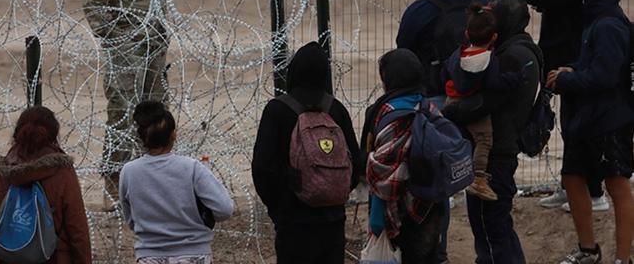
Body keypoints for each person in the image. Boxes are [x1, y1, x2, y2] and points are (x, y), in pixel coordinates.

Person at [82, 0, 219, 207]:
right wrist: (113, 38)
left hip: (154, 41)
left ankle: (151, 181)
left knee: (156, 112)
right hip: (126, 44)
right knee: (122, 113)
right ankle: (114, 185)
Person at [486, 0, 610, 212]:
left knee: (578, 127)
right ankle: (574, 187)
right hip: (568, 57)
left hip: (574, 60)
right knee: (570, 126)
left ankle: (593, 193)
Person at [395, 0, 486, 263]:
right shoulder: (485, 6)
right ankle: (488, 252)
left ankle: (439, 252)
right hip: (481, 107)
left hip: (434, 109)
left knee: (434, 185)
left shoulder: (421, 11)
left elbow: (402, 57)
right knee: (483, 184)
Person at [443, 0, 541, 264]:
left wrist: (449, 112)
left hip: (496, 152)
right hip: (503, 147)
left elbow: (481, 102)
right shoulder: (521, 49)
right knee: (497, 228)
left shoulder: (512, 57)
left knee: (489, 229)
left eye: (494, 16)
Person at [546, 0, 633, 264]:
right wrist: (573, 69)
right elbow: (595, 65)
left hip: (610, 120)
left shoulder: (609, 25)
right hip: (589, 118)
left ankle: (623, 257)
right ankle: (588, 250)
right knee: (572, 176)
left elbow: (606, 76)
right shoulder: (595, 21)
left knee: (617, 184)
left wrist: (569, 78)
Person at [252, 42, 359, 264]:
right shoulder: (336, 109)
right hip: (333, 221)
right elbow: (355, 164)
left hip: (293, 221)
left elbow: (263, 168)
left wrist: (279, 208)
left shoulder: (277, 110)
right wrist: (332, 190)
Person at [119, 101, 234, 263]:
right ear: (173, 135)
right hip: (193, 253)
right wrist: (202, 219)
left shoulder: (129, 172)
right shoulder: (191, 168)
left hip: (149, 255)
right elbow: (225, 209)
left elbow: (131, 219)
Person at [364, 48, 448, 263]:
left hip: (399, 213)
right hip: (430, 206)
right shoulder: (429, 108)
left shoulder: (386, 113)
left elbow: (381, 175)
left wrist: (376, 219)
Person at [0, 106, 92, 264]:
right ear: (53, 134)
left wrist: (15, 238)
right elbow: (76, 226)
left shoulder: (4, 169)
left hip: (10, 257)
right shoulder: (60, 171)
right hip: (54, 257)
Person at [443, 4, 526, 201]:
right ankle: (479, 177)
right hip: (472, 104)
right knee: (484, 140)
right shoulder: (489, 60)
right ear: (494, 37)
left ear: (466, 33)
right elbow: (494, 82)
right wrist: (514, 79)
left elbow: (443, 72)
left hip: (451, 99)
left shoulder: (458, 54)